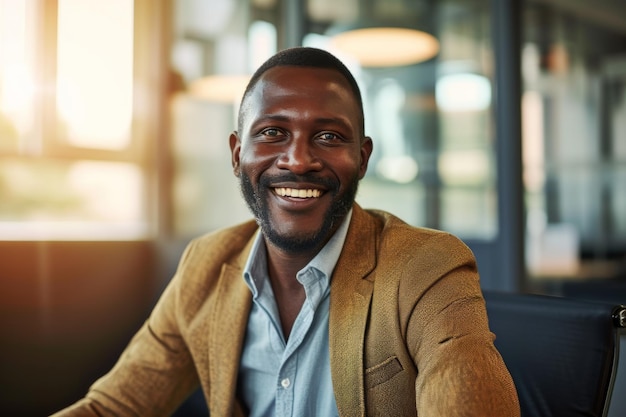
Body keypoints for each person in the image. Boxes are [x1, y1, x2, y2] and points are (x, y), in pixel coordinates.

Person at [53, 46, 520, 417]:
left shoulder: (425, 266)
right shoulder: (206, 265)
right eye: (273, 133)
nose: (298, 160)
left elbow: (464, 387)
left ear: (362, 156)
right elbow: (116, 406)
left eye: (330, 136)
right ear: (237, 153)